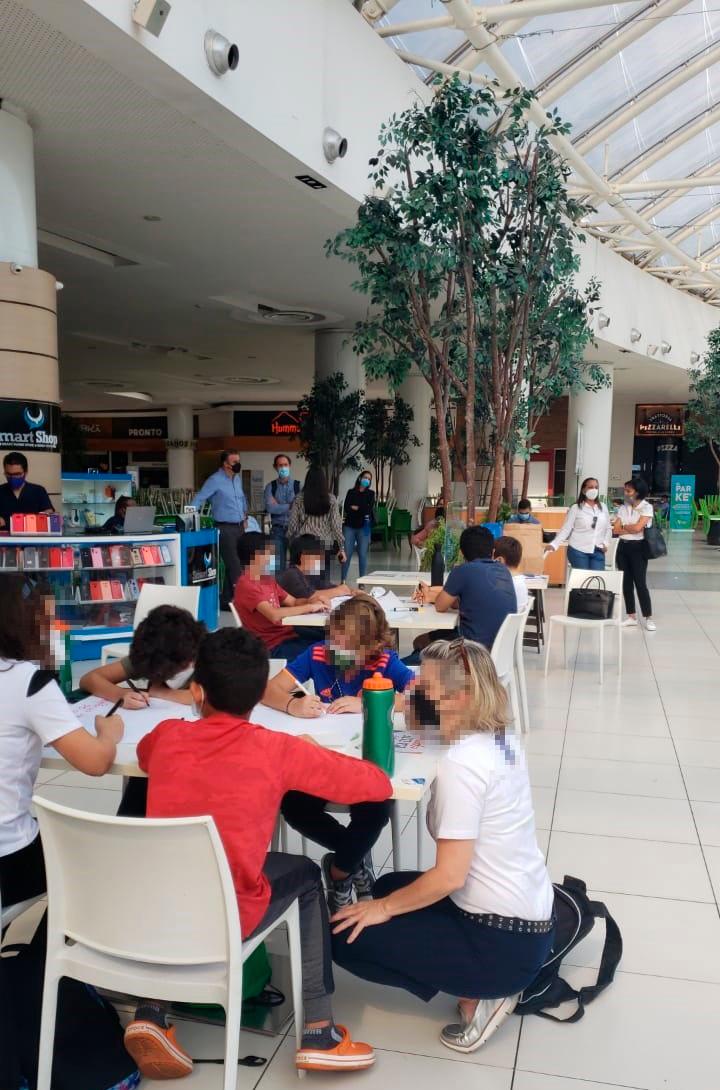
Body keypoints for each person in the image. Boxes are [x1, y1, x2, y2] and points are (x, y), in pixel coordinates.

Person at [131, 627, 391, 1074]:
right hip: (230, 912)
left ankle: (150, 1013)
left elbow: (142, 753)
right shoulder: (276, 748)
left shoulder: (169, 736)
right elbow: (376, 786)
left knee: (181, 872)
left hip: (159, 908)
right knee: (308, 875)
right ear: (256, 697)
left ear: (196, 690)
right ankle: (319, 1030)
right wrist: (315, 753)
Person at [331, 639, 554, 1055]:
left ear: (458, 698)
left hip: (500, 944)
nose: (413, 690)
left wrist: (382, 910)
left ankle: (480, 992)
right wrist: (398, 704)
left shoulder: (463, 765)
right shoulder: (499, 735)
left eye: (425, 686)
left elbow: (449, 876)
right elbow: (422, 716)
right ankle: (473, 973)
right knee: (388, 885)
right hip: (529, 919)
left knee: (345, 935)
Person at [0, 576, 124, 1089]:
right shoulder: (28, 682)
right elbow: (94, 764)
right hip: (10, 859)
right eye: (50, 619)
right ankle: (48, 977)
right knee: (87, 867)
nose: (58, 628)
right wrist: (109, 732)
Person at [263, 595, 415, 911]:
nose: (337, 649)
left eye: (348, 645)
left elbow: (423, 699)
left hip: (365, 759)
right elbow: (269, 689)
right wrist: (294, 703)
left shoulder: (385, 662)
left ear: (370, 646)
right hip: (324, 756)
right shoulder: (317, 654)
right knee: (293, 806)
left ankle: (339, 871)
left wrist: (373, 701)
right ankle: (355, 862)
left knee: (375, 809)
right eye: (335, 639)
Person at [80, 605, 205, 820]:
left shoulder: (209, 655)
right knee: (144, 774)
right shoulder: (152, 654)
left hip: (197, 754)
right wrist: (119, 693)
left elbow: (208, 696)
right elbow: (89, 679)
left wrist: (159, 692)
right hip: (154, 748)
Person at [410, 525, 516, 659]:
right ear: (493, 552)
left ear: (461, 552)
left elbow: (440, 606)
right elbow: (471, 601)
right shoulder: (504, 571)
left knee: (419, 642)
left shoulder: (462, 571)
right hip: (499, 653)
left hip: (470, 652)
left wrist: (432, 594)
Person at [234, 531, 325, 660]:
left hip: (287, 635)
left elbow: (293, 602)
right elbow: (274, 614)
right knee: (326, 652)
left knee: (330, 637)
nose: (271, 556)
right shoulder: (246, 585)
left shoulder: (266, 579)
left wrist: (312, 601)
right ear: (256, 555)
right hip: (271, 646)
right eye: (267, 552)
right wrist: (310, 607)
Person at [192, 450, 248, 610]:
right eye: (234, 461)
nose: (237, 464)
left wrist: (245, 515)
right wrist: (188, 516)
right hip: (224, 528)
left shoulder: (237, 479)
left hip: (239, 527)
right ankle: (243, 601)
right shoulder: (214, 480)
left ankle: (227, 600)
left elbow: (242, 498)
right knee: (235, 565)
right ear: (225, 464)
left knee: (239, 564)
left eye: (238, 460)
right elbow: (199, 498)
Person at [287, 466, 345, 582]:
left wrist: (289, 539)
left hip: (303, 544)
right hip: (324, 546)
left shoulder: (299, 499)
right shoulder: (331, 499)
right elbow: (336, 526)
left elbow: (293, 525)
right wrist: (341, 547)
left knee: (301, 581)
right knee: (323, 582)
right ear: (324, 481)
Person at [613, 477, 656, 631]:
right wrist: (628, 527)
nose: (626, 493)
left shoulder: (646, 507)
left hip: (638, 548)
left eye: (628, 491)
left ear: (638, 492)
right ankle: (631, 616)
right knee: (626, 583)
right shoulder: (623, 507)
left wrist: (625, 526)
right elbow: (616, 530)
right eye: (625, 490)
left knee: (640, 583)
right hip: (622, 547)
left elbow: (638, 528)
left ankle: (648, 617)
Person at [545, 477, 611, 571]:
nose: (594, 490)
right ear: (584, 490)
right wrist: (554, 544)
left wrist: (605, 543)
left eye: (596, 487)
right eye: (590, 487)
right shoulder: (576, 508)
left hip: (598, 550)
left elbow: (608, 528)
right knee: (582, 581)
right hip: (578, 550)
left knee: (597, 581)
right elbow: (566, 529)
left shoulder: (603, 507)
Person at [278, 534, 354, 604]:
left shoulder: (311, 573)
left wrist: (351, 591)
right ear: (303, 557)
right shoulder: (291, 574)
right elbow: (310, 596)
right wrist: (339, 591)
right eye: (316, 556)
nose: (320, 560)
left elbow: (328, 587)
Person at [0, 451, 55, 530]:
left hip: (33, 540)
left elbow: (49, 517)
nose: (13, 477)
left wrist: (6, 522)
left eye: (17, 474)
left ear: (26, 472)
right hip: (4, 541)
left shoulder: (38, 491)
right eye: (9, 474)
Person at [264, 454, 300, 572]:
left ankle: (295, 589)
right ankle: (279, 589)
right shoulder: (271, 487)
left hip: (296, 529)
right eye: (280, 465)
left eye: (285, 465)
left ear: (290, 466)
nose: (283, 468)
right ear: (275, 467)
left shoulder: (298, 486)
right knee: (277, 565)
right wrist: (290, 505)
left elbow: (300, 507)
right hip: (277, 529)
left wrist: (278, 505)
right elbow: (270, 508)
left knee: (297, 564)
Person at [341, 471, 375, 581]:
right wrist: (361, 508)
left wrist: (356, 508)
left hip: (364, 526)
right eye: (365, 477)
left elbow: (368, 510)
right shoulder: (351, 492)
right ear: (360, 478)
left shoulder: (371, 494)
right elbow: (346, 507)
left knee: (362, 554)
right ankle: (343, 580)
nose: (367, 480)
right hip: (349, 526)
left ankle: (362, 580)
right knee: (347, 553)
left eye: (369, 479)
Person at [493, 536, 529, 611]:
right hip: (514, 622)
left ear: (499, 560)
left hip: (502, 622)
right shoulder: (520, 580)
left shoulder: (502, 585)